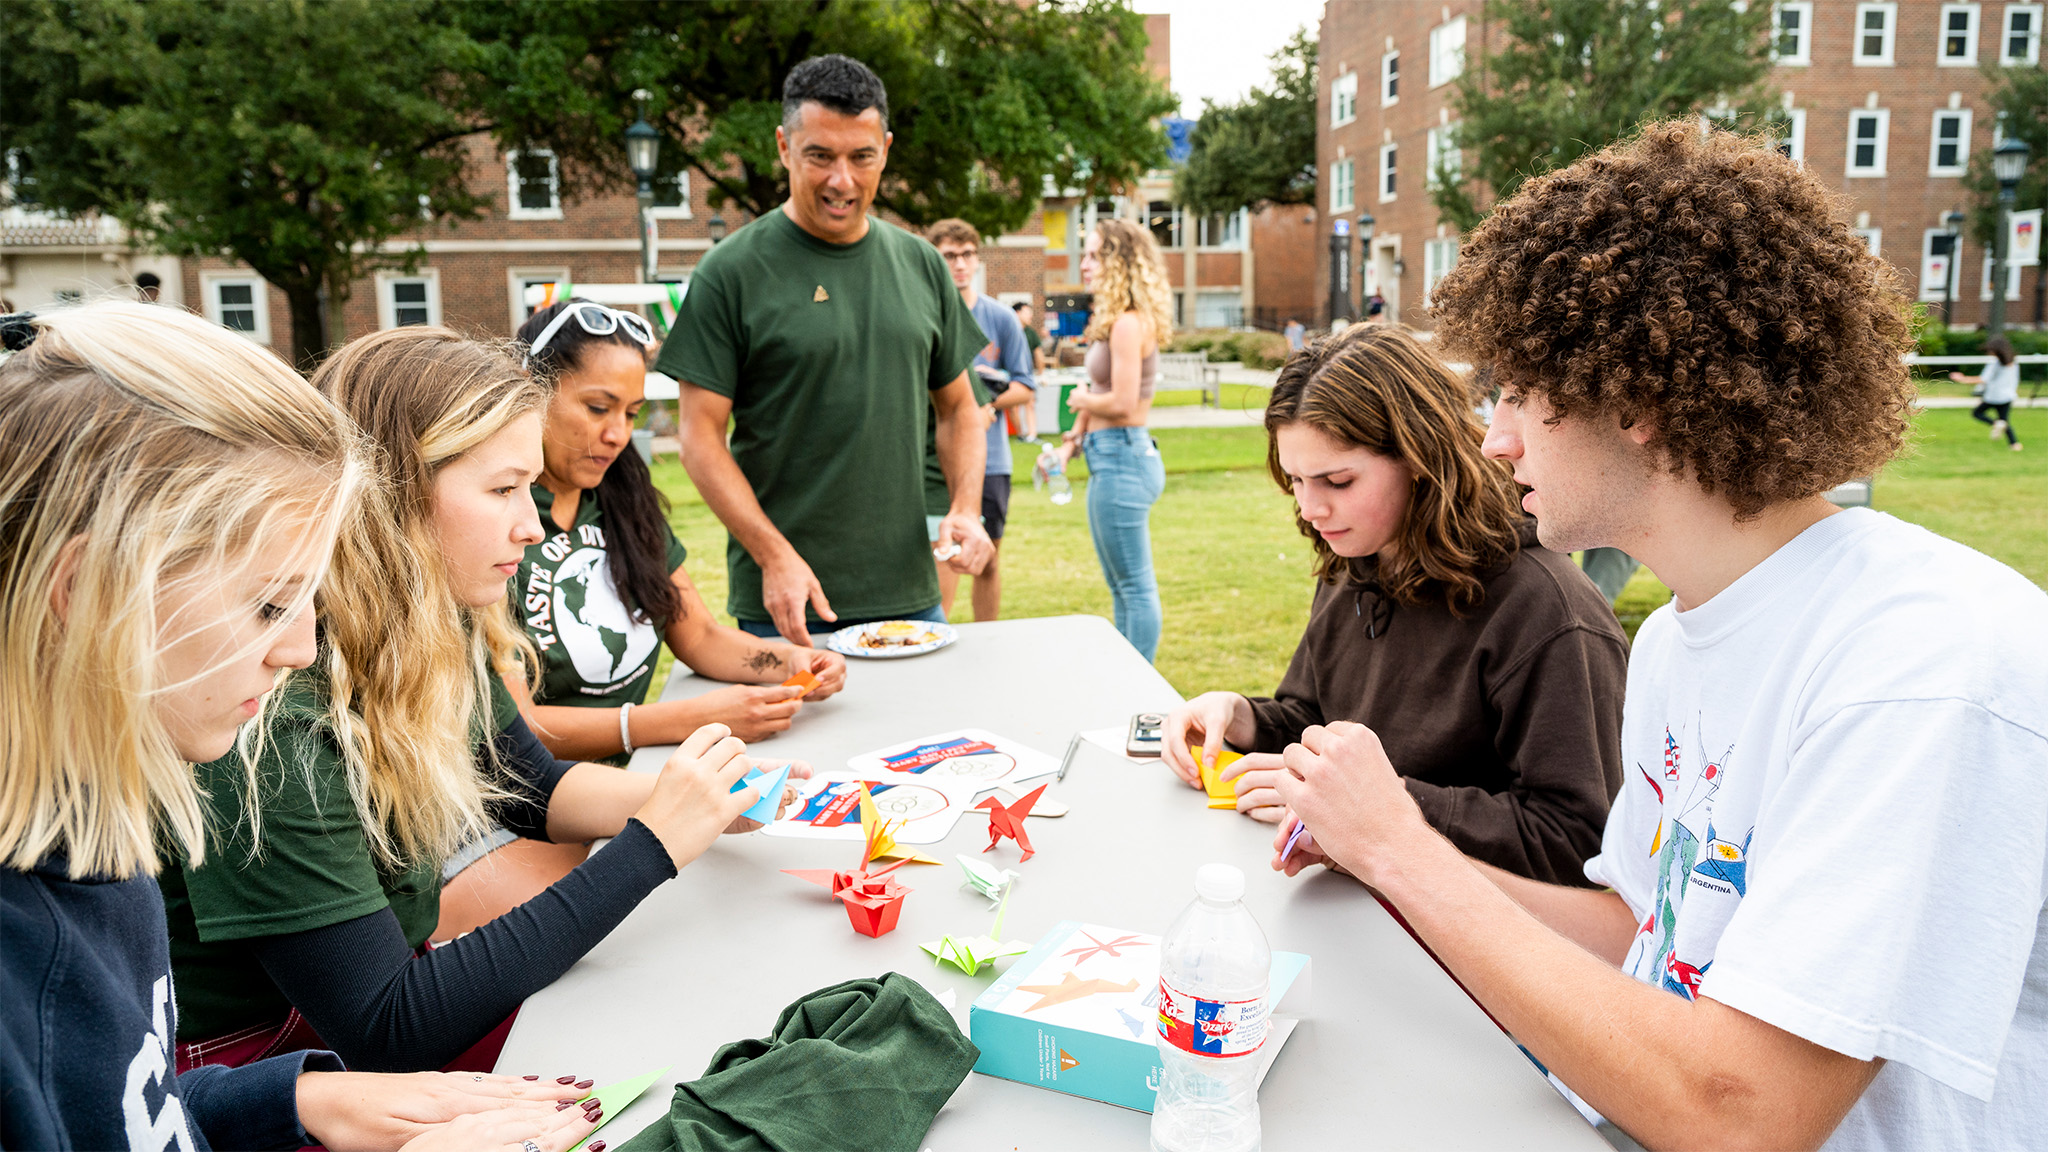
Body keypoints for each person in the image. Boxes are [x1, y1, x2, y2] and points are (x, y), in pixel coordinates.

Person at [1274, 124, 2048, 1149]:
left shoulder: (1918, 668)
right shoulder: (1680, 640)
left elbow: (1743, 1114)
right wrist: (1380, 855)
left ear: (1630, 399)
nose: (1492, 437)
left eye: (1518, 394)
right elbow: (1640, 934)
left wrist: (1403, 853)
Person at [0, 302, 600, 1152]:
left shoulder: (99, 845)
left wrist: (297, 1101)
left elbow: (133, 1108)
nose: (302, 646)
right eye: (269, 602)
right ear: (90, 593)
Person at [160, 327, 772, 1075]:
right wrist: (653, 845)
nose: (534, 522)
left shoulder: (427, 620)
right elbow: (390, 1027)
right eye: (504, 489)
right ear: (393, 493)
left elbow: (530, 788)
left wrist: (706, 801)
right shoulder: (273, 714)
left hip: (376, 1011)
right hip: (257, 1065)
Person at [1164, 325, 1626, 884]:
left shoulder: (1547, 614)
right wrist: (1241, 718)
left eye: (1337, 480)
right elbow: (1317, 721)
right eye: (1296, 480)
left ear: (1420, 459)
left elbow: (1577, 842)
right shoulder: (1357, 559)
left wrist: (1379, 810)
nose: (1310, 508)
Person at [659, 54, 993, 646]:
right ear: (785, 147)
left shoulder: (921, 264)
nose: (842, 179)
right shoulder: (730, 273)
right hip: (787, 603)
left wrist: (965, 507)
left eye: (861, 157)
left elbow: (961, 408)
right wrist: (772, 555)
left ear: (885, 150)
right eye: (820, 156)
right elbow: (699, 439)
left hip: (913, 597)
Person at [512, 297, 845, 760]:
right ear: (531, 391)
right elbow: (516, 729)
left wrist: (789, 661)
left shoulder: (623, 500)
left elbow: (701, 637)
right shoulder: (498, 521)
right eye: (597, 407)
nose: (617, 435)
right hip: (535, 809)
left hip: (635, 774)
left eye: (630, 413)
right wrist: (687, 720)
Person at [1051, 218, 1170, 661]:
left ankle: (1138, 684)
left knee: (1135, 586)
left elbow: (1122, 402)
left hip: (1124, 455)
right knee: (1122, 584)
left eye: (1094, 254)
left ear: (1120, 261)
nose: (1084, 264)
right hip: (1111, 455)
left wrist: (1081, 398)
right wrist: (1072, 441)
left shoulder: (1128, 324)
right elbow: (1101, 393)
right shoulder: (1114, 320)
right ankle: (1129, 673)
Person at [927, 219, 1035, 621]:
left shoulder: (1000, 318)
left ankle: (987, 639)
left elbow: (1025, 385)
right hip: (933, 465)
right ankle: (937, 638)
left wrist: (987, 410)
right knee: (942, 558)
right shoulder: (927, 315)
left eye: (967, 254)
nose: (960, 263)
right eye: (950, 255)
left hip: (990, 461)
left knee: (986, 558)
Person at [1950, 334, 2024, 451]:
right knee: (2004, 421)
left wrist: (1962, 378)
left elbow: (1982, 379)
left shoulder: (1994, 365)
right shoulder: (2014, 363)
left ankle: (1995, 423)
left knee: (1977, 413)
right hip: (2008, 396)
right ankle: (2014, 444)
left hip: (1994, 396)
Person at [1014, 300, 1047, 443]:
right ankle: (1020, 434)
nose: (1031, 316)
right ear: (1017, 313)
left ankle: (1032, 434)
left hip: (1027, 374)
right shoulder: (1008, 330)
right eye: (1027, 312)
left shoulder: (1030, 333)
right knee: (1013, 406)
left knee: (1030, 402)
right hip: (1010, 374)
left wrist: (1042, 373)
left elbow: (1038, 354)